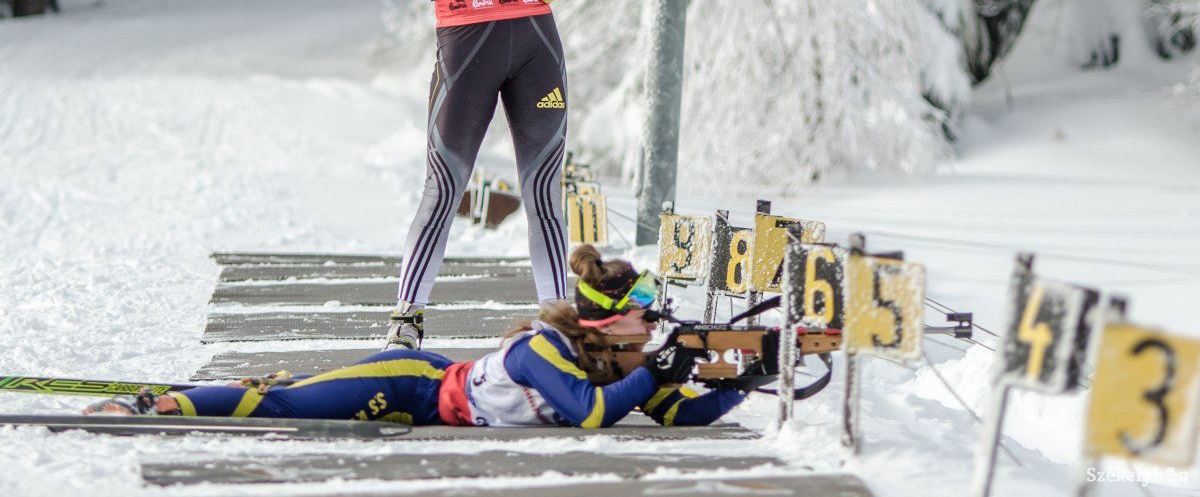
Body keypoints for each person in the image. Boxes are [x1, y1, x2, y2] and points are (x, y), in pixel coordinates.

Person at [386, 0, 603, 351]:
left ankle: (559, 326)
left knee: (544, 191)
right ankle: (406, 318)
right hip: (467, 45)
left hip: (534, 41)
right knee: (444, 186)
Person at [85, 247, 748, 427]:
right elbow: (593, 414)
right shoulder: (544, 349)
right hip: (409, 385)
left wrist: (749, 379)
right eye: (643, 308)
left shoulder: (619, 357)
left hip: (432, 385)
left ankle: (236, 389)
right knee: (285, 408)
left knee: (299, 394)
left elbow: (678, 414)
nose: (654, 319)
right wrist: (661, 366)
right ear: (607, 319)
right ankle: (162, 404)